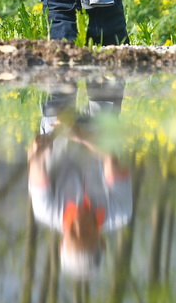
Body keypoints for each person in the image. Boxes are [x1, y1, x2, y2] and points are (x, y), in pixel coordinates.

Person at [27, 78, 132, 279]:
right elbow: (110, 156)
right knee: (108, 71)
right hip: (99, 135)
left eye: (72, 234)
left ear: (61, 241)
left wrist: (43, 147)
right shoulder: (120, 212)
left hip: (58, 134)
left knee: (61, 73)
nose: (78, 226)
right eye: (85, 234)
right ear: (101, 241)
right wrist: (79, 135)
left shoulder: (45, 211)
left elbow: (35, 164)